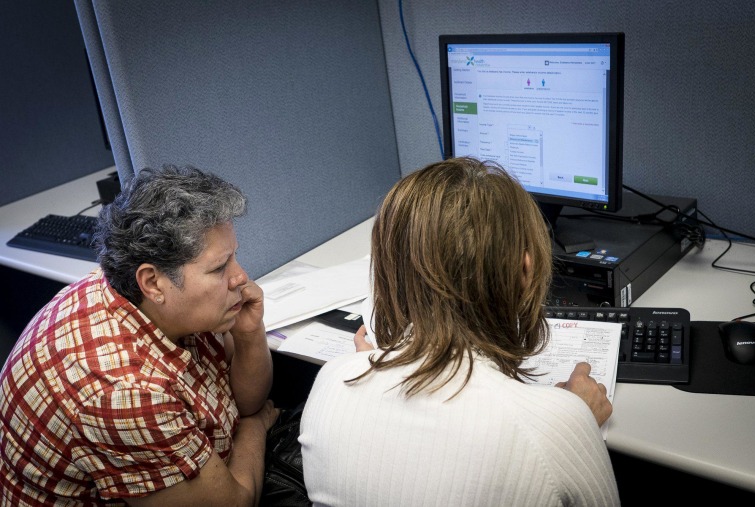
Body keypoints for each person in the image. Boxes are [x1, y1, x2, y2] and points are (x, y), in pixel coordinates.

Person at [299, 157, 620, 506]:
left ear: (392, 271)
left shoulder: (331, 383)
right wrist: (578, 427)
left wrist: (372, 368)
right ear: (525, 270)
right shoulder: (554, 425)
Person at [0, 165, 279, 506]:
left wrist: (249, 333)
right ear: (152, 282)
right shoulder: (125, 394)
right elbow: (235, 502)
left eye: (234, 257)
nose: (241, 277)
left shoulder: (148, 296)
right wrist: (255, 427)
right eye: (220, 268)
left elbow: (245, 399)